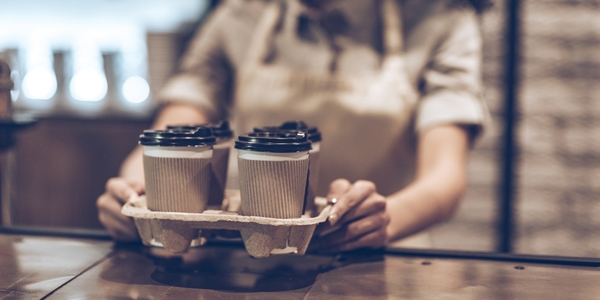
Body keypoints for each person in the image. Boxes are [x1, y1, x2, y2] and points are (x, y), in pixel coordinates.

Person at [97, 0, 492, 253]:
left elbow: (445, 178)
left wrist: (381, 217)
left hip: (375, 256)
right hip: (251, 253)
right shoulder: (239, 16)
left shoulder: (440, 21)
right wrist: (133, 192)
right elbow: (176, 127)